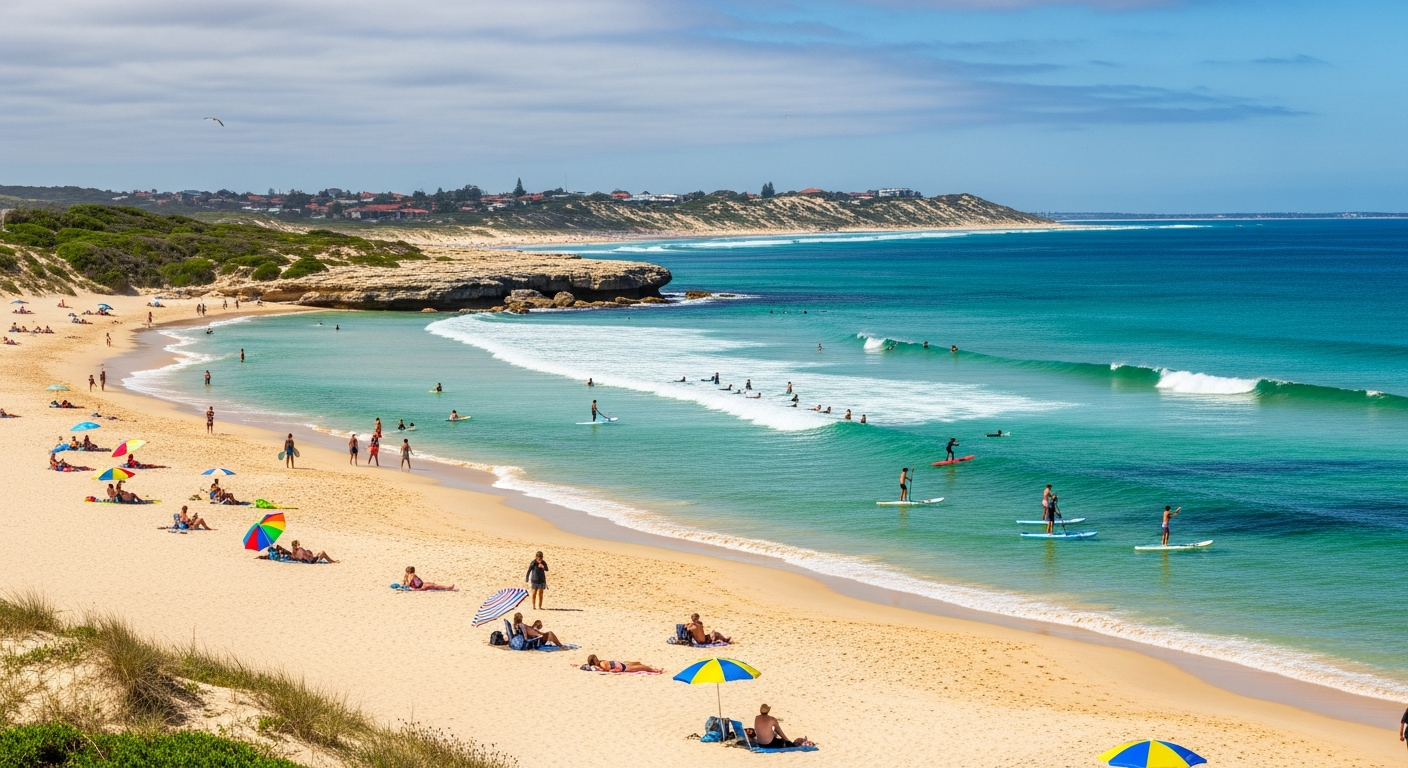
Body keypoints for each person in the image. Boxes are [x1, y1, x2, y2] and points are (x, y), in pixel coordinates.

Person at [584, 654, 660, 674]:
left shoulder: (601, 664)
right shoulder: (601, 664)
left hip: (621, 665)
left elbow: (606, 669)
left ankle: (653, 668)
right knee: (641, 667)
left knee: (639, 664)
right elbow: (607, 669)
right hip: (621, 665)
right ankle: (653, 669)